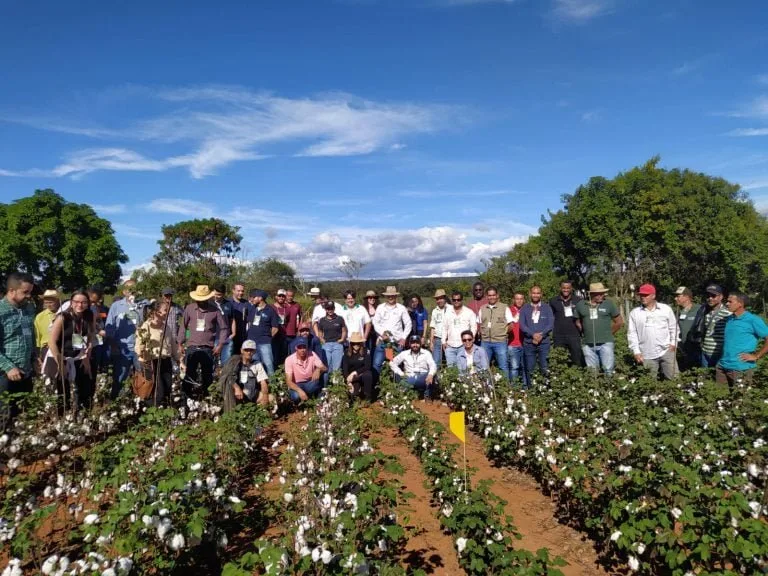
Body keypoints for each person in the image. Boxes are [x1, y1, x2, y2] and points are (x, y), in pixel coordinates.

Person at [48, 290, 96, 414]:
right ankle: (62, 418)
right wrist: (60, 364)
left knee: (85, 390)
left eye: (84, 302)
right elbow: (52, 342)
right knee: (62, 393)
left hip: (79, 356)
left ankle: (82, 416)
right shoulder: (63, 317)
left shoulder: (89, 316)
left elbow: (90, 337)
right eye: (76, 302)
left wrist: (87, 356)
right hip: (60, 357)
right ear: (71, 302)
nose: (80, 305)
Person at [0, 273, 36, 430]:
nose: (29, 296)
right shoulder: (1, 312)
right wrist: (9, 367)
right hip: (4, 374)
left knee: (22, 416)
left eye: (30, 292)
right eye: (25, 292)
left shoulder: (29, 309)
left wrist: (34, 358)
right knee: (4, 417)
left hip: (25, 371)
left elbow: (30, 336)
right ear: (11, 291)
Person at [178, 285, 228, 397]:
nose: (200, 301)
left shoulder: (215, 310)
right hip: (192, 347)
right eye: (198, 299)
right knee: (190, 372)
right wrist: (180, 343)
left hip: (208, 348)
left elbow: (224, 328)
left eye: (203, 299)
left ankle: (206, 396)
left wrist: (220, 344)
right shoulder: (189, 308)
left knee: (207, 374)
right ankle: (186, 396)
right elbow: (183, 326)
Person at [627, 283, 679, 380]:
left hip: (666, 351)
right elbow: (632, 334)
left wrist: (673, 343)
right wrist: (636, 351)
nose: (642, 297)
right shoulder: (635, 313)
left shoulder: (665, 309)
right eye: (641, 295)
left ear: (653, 296)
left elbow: (674, 328)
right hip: (646, 354)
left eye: (646, 295)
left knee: (674, 379)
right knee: (649, 382)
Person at [716, 292, 768, 387]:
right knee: (719, 395)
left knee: (741, 396)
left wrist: (756, 356)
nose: (727, 304)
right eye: (727, 301)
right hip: (722, 366)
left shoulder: (753, 320)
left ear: (740, 304)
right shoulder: (729, 319)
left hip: (741, 368)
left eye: (730, 301)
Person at [135, 300, 178, 407]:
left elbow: (172, 345)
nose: (167, 312)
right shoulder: (146, 327)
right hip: (152, 363)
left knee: (167, 389)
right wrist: (142, 350)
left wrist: (179, 360)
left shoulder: (166, 327)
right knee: (158, 392)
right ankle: (148, 409)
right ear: (156, 312)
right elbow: (138, 346)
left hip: (166, 362)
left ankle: (165, 412)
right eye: (165, 310)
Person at [574, 283, 623, 376]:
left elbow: (619, 322)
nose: (601, 295)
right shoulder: (581, 305)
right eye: (598, 294)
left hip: (606, 343)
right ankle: (595, 385)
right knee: (592, 372)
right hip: (588, 344)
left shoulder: (608, 304)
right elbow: (577, 321)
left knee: (608, 370)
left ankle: (609, 385)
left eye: (602, 293)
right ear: (591, 294)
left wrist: (609, 334)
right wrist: (585, 332)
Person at [105, 279, 143, 400]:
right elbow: (109, 327)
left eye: (134, 289)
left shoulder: (143, 305)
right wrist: (113, 345)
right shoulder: (116, 306)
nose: (131, 291)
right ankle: (114, 403)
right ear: (124, 291)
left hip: (139, 349)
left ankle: (138, 403)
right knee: (119, 378)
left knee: (141, 378)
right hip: (122, 349)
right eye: (129, 289)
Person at [220, 339, 270, 412]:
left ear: (254, 351)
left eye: (251, 350)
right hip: (238, 396)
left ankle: (258, 414)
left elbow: (263, 382)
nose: (249, 352)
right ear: (241, 350)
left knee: (271, 399)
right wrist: (236, 388)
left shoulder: (257, 364)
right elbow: (228, 377)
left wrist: (265, 397)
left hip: (254, 395)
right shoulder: (235, 362)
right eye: (246, 350)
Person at [372, 286, 412, 374]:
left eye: (393, 295)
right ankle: (376, 382)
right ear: (386, 296)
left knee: (395, 366)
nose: (390, 297)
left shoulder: (401, 308)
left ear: (396, 296)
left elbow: (408, 323)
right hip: (383, 342)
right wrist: (382, 333)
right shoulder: (380, 307)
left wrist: (404, 338)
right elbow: (375, 322)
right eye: (388, 296)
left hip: (396, 343)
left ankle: (396, 382)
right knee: (377, 364)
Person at [519, 286, 554, 383]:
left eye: (538, 293)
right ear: (530, 294)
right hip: (529, 343)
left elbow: (550, 324)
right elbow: (522, 325)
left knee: (545, 367)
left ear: (541, 294)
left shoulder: (547, 307)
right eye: (534, 293)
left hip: (544, 343)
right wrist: (533, 335)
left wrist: (541, 334)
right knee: (530, 368)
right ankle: (532, 389)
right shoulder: (525, 308)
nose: (536, 295)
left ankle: (545, 388)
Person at [693, 284, 730, 368]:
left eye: (713, 296)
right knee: (704, 375)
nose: (710, 298)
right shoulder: (705, 312)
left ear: (721, 297)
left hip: (719, 354)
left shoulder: (728, 313)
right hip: (705, 353)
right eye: (708, 296)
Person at [478, 286, 512, 380]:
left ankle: (505, 386)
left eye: (493, 295)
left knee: (503, 366)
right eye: (489, 295)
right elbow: (479, 324)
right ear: (487, 296)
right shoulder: (482, 308)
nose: (492, 297)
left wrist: (502, 333)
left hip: (500, 342)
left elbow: (511, 325)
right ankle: (485, 386)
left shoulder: (504, 308)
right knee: (484, 366)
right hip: (485, 342)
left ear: (497, 295)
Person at [246, 289, 280, 375]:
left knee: (268, 364)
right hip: (252, 342)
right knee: (255, 364)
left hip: (264, 342)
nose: (252, 299)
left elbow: (275, 328)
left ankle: (272, 382)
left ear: (260, 298)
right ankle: (257, 382)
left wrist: (268, 338)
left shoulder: (270, 311)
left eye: (254, 297)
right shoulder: (252, 308)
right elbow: (249, 323)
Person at [550, 280, 583, 367]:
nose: (566, 290)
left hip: (574, 334)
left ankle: (577, 374)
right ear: (560, 288)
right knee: (559, 360)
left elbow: (582, 316)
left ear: (571, 288)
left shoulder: (578, 300)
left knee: (577, 359)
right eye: (564, 288)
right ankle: (561, 375)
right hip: (558, 335)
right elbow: (550, 317)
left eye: (568, 288)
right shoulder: (553, 301)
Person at [284, 336, 327, 403]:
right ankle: (305, 398)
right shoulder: (289, 359)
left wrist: (318, 369)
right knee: (295, 396)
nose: (302, 350)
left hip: (309, 382)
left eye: (304, 347)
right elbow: (288, 381)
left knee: (325, 375)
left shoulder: (312, 354)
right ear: (296, 348)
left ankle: (320, 394)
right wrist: (299, 391)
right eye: (300, 347)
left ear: (307, 347)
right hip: (297, 384)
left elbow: (325, 368)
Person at [442, 291, 477, 367]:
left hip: (464, 345)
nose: (456, 301)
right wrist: (443, 341)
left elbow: (474, 327)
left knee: (464, 368)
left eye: (458, 299)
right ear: (452, 300)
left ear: (462, 300)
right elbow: (444, 328)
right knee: (451, 369)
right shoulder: (448, 313)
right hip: (450, 346)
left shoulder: (469, 312)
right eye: (454, 300)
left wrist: (470, 339)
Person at [674, 286, 702, 371]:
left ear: (686, 297)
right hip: (683, 350)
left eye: (678, 296)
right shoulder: (677, 311)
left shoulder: (700, 309)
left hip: (697, 349)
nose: (675, 298)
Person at [315, 301, 347, 374]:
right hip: (326, 344)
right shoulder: (322, 320)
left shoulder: (340, 319)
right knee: (327, 365)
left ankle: (336, 380)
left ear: (334, 309)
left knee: (337, 367)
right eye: (328, 309)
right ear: (326, 309)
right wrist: (321, 339)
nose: (330, 310)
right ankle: (328, 380)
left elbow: (344, 330)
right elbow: (320, 331)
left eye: (331, 308)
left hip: (337, 344)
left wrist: (342, 339)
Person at [342, 332, 374, 402]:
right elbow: (345, 368)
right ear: (351, 343)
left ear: (361, 343)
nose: (356, 345)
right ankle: (358, 392)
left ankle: (367, 397)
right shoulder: (346, 352)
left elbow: (368, 366)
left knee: (368, 375)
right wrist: (348, 381)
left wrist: (355, 372)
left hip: (361, 374)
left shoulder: (366, 351)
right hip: (351, 377)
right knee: (353, 395)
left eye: (358, 343)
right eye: (354, 343)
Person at [87, 285, 109, 387]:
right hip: (79, 347)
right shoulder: (72, 306)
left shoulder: (96, 308)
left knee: (92, 374)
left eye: (95, 302)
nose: (93, 304)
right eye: (91, 301)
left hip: (94, 344)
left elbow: (96, 323)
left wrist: (99, 330)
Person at [507, 292, 526, 387]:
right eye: (517, 299)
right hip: (513, 344)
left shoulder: (526, 310)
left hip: (525, 343)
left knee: (525, 367)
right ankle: (514, 389)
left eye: (521, 299)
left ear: (524, 300)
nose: (519, 301)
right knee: (514, 368)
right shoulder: (508, 311)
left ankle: (526, 388)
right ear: (513, 300)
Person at [212, 284, 234, 365]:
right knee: (212, 362)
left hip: (227, 338)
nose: (217, 296)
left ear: (224, 294)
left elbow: (232, 320)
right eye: (215, 294)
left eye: (219, 294)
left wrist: (233, 333)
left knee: (226, 362)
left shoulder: (229, 304)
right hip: (213, 338)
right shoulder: (209, 304)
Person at [34, 289, 59, 362]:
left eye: (51, 302)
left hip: (62, 348)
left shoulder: (64, 313)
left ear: (57, 301)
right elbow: (37, 338)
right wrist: (38, 355)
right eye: (46, 303)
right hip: (46, 349)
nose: (48, 305)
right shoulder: (40, 317)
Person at [271, 289, 292, 367]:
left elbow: (287, 321)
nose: (281, 298)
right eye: (279, 296)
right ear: (276, 296)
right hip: (273, 336)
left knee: (283, 356)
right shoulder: (271, 307)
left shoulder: (287, 309)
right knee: (274, 357)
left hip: (283, 336)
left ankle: (281, 372)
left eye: (283, 296)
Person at [229, 283, 251, 356]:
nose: (241, 293)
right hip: (230, 336)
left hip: (242, 337)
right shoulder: (227, 303)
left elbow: (250, 318)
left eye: (242, 291)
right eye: (238, 291)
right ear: (233, 290)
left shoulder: (246, 303)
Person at [429, 289, 449, 367]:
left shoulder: (451, 309)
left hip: (448, 339)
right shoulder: (435, 311)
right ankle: (436, 375)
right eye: (437, 299)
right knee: (436, 362)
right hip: (437, 339)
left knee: (449, 361)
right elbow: (433, 327)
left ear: (445, 298)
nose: (439, 301)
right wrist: (431, 342)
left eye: (441, 298)